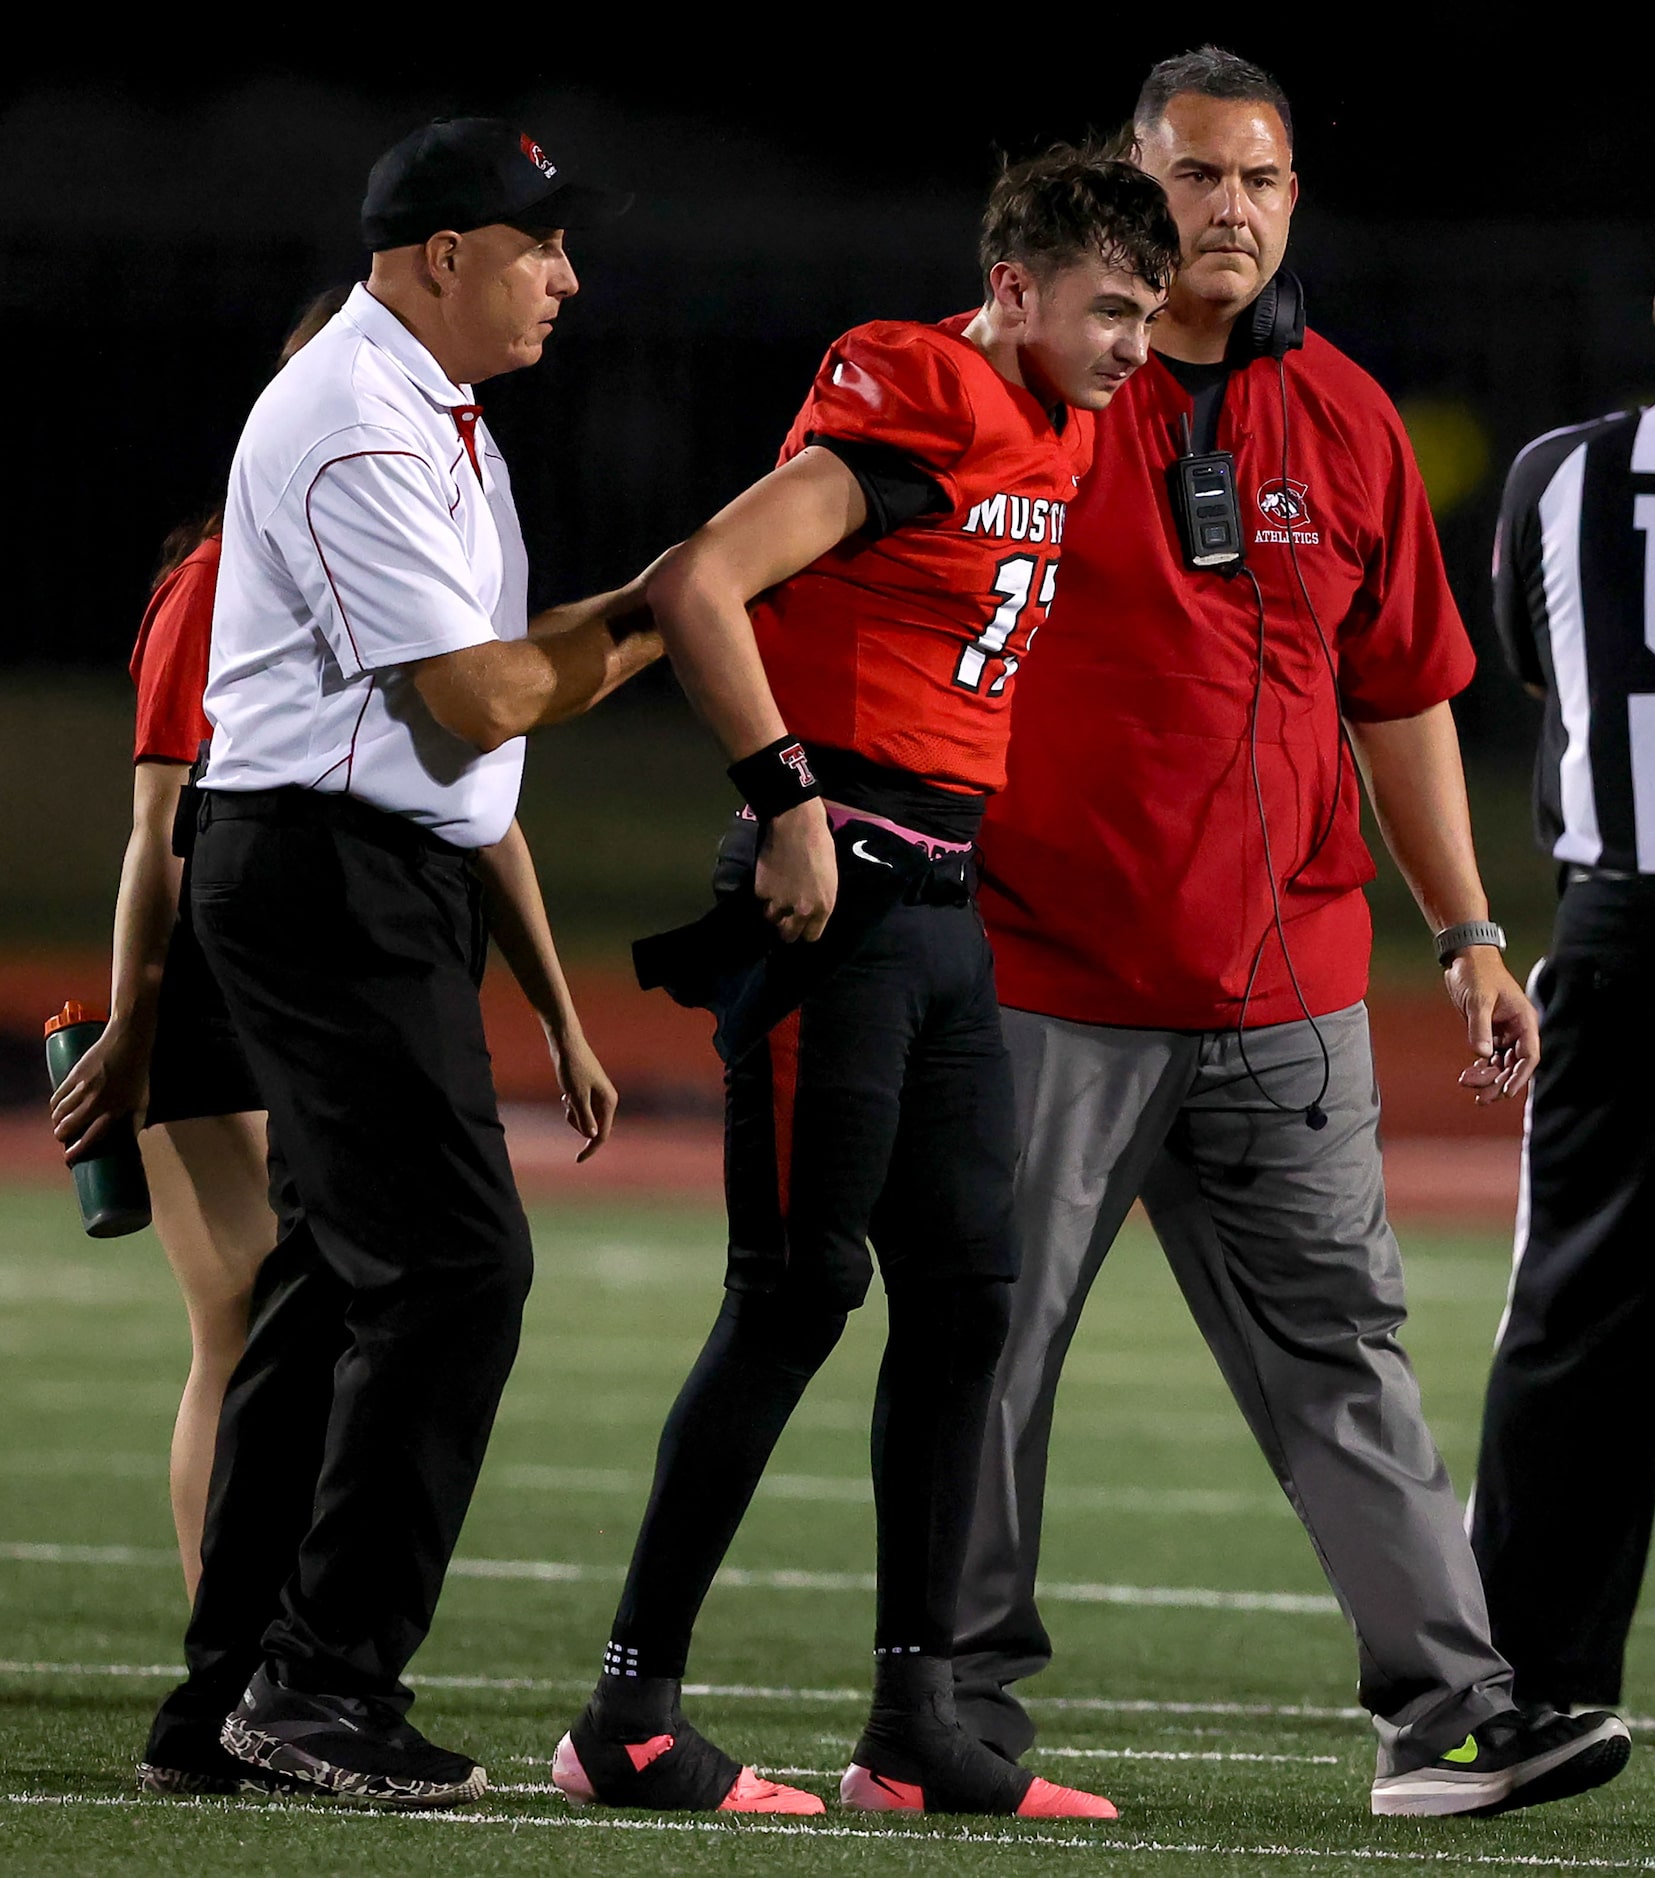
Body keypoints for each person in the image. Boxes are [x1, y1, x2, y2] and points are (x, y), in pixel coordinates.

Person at [949, 48, 1630, 1819]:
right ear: (1130, 181)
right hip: (1048, 977)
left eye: (1257, 180)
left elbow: (1402, 695)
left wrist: (1470, 926)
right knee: (992, 1352)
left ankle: (1452, 1710)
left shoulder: (1347, 414)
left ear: (1292, 199)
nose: (1227, 210)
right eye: (1194, 179)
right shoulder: (1012, 388)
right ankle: (947, 1713)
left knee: (1347, 1353)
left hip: (1291, 989)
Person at [547, 147, 1177, 1823]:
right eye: (1111, 309)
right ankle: (626, 1714)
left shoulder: (1071, 421)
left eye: (1149, 311)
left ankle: (917, 1725)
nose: (1133, 344)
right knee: (796, 1290)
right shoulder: (930, 390)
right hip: (837, 908)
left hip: (941, 909)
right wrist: (785, 798)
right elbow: (700, 581)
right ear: (1020, 287)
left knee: (971, 1293)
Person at [135, 117, 661, 1809]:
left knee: (339, 1280)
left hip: (356, 873)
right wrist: (677, 614)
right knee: (453, 1272)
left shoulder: (428, 412)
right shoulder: (361, 419)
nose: (565, 276)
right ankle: (325, 1682)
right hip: (322, 876)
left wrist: (643, 604)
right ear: (445, 252)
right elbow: (479, 698)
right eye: (540, 245)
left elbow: (488, 687)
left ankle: (227, 1694)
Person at [49, 284, 626, 1606]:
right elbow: (160, 829)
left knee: (333, 1296)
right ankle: (230, 1627)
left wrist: (560, 1011)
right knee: (248, 1311)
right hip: (219, 977)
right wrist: (136, 1023)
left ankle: (264, 1636)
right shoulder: (217, 580)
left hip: (321, 969)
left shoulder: (415, 571)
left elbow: (482, 807)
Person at [1469, 184, 1655, 1755]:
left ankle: (1529, 1669)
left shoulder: (1559, 469)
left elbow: (1535, 659)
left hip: (1626, 921)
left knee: (1583, 1305)